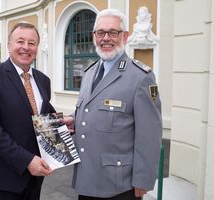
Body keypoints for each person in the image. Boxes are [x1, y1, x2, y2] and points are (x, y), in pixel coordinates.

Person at [64, 9, 162, 200]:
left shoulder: (141, 77)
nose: (106, 38)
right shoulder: (90, 73)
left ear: (124, 36)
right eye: (100, 33)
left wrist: (143, 180)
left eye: (113, 32)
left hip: (119, 185)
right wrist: (73, 120)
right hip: (87, 177)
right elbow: (90, 108)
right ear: (94, 36)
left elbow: (150, 135)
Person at [0, 22, 55, 200]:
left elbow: (43, 114)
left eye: (32, 43)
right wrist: (26, 160)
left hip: (35, 177)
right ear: (9, 44)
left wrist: (63, 124)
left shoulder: (43, 80)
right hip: (3, 177)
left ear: (37, 47)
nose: (26, 47)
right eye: (20, 41)